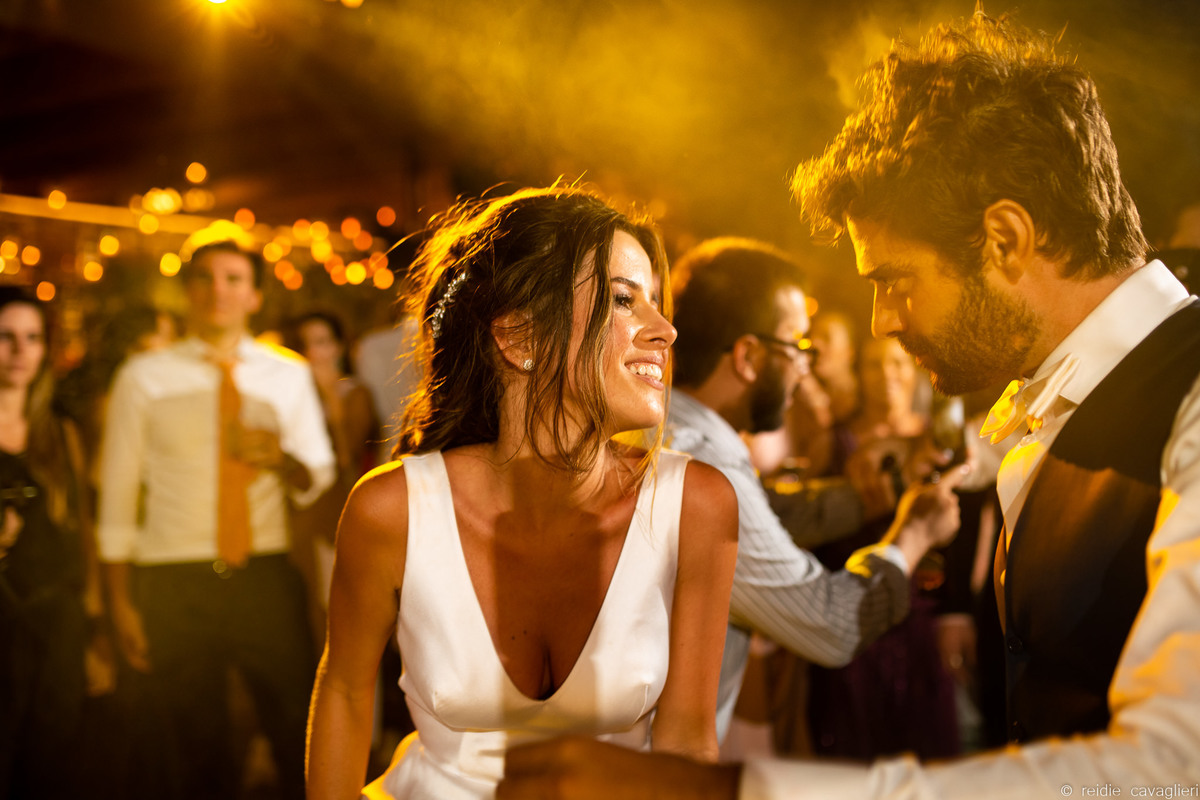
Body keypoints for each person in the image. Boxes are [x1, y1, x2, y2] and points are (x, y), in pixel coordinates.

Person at [497, 9, 1200, 798]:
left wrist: (716, 791)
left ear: (1005, 239)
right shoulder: (1052, 403)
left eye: (895, 281)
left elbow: (1171, 770)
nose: (882, 323)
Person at [306, 186, 739, 800]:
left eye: (656, 303)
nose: (665, 330)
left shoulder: (696, 504)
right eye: (623, 300)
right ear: (521, 339)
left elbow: (687, 745)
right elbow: (346, 692)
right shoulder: (393, 511)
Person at [661, 237, 963, 742]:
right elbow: (831, 623)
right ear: (749, 356)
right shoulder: (704, 463)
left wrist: (888, 487)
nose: (807, 367)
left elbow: (772, 513)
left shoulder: (670, 432)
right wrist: (914, 533)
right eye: (798, 345)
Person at [97, 240, 336, 800]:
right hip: (173, 577)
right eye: (204, 277)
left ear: (254, 296)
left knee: (297, 726)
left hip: (263, 573)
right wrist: (120, 601)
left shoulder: (286, 374)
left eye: (233, 278)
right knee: (191, 747)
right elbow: (117, 493)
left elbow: (319, 474)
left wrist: (280, 458)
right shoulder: (143, 376)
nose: (217, 290)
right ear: (187, 291)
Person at [0, 287, 114, 799]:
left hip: (56, 624)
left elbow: (83, 535)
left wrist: (94, 630)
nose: (19, 351)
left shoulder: (60, 432)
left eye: (32, 338)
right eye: (5, 337)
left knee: (53, 764)